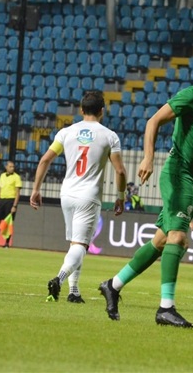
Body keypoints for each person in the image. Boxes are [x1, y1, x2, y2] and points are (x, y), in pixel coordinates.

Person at [99, 51, 193, 328]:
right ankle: (165, 308)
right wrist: (148, 157)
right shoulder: (192, 96)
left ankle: (113, 285)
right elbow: (153, 121)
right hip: (179, 175)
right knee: (178, 238)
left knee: (160, 241)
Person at [30, 90, 127, 303]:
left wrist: (36, 189)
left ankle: (74, 291)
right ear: (102, 111)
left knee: (76, 244)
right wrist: (121, 196)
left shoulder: (66, 133)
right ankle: (59, 279)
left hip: (67, 194)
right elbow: (120, 171)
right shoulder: (109, 136)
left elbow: (45, 160)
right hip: (88, 196)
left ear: (81, 110)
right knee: (81, 246)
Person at [0, 160, 22, 248]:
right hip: (2, 201)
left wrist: (14, 206)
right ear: (6, 167)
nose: (12, 168)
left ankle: (6, 243)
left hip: (10, 201)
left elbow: (17, 193)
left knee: (9, 222)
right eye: (10, 167)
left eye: (13, 167)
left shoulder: (17, 177)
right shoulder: (2, 176)